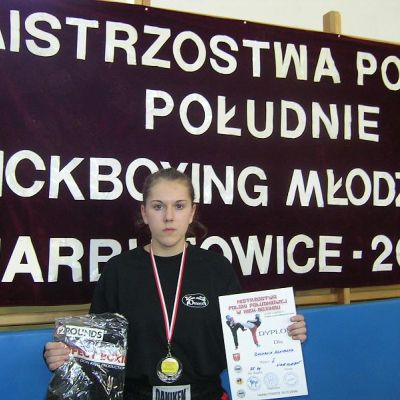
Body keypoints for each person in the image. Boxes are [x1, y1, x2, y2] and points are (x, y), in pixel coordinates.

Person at [44, 168, 307, 400]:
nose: (169, 217)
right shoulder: (119, 271)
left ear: (192, 212)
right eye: (158, 206)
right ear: (144, 213)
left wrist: (282, 333)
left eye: (179, 206)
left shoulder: (217, 269)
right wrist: (64, 356)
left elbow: (241, 334)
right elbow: (94, 351)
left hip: (206, 395)